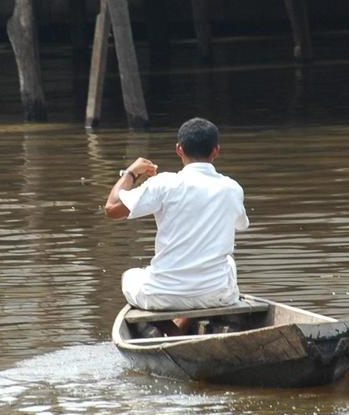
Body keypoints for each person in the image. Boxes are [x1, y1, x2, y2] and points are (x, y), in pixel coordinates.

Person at [103, 118, 249, 322]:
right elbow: (241, 225)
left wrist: (131, 173)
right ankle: (180, 328)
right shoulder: (232, 188)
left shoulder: (164, 184)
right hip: (219, 296)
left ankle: (166, 330)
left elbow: (112, 209)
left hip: (163, 295)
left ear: (179, 150)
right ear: (216, 151)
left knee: (129, 276)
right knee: (227, 263)